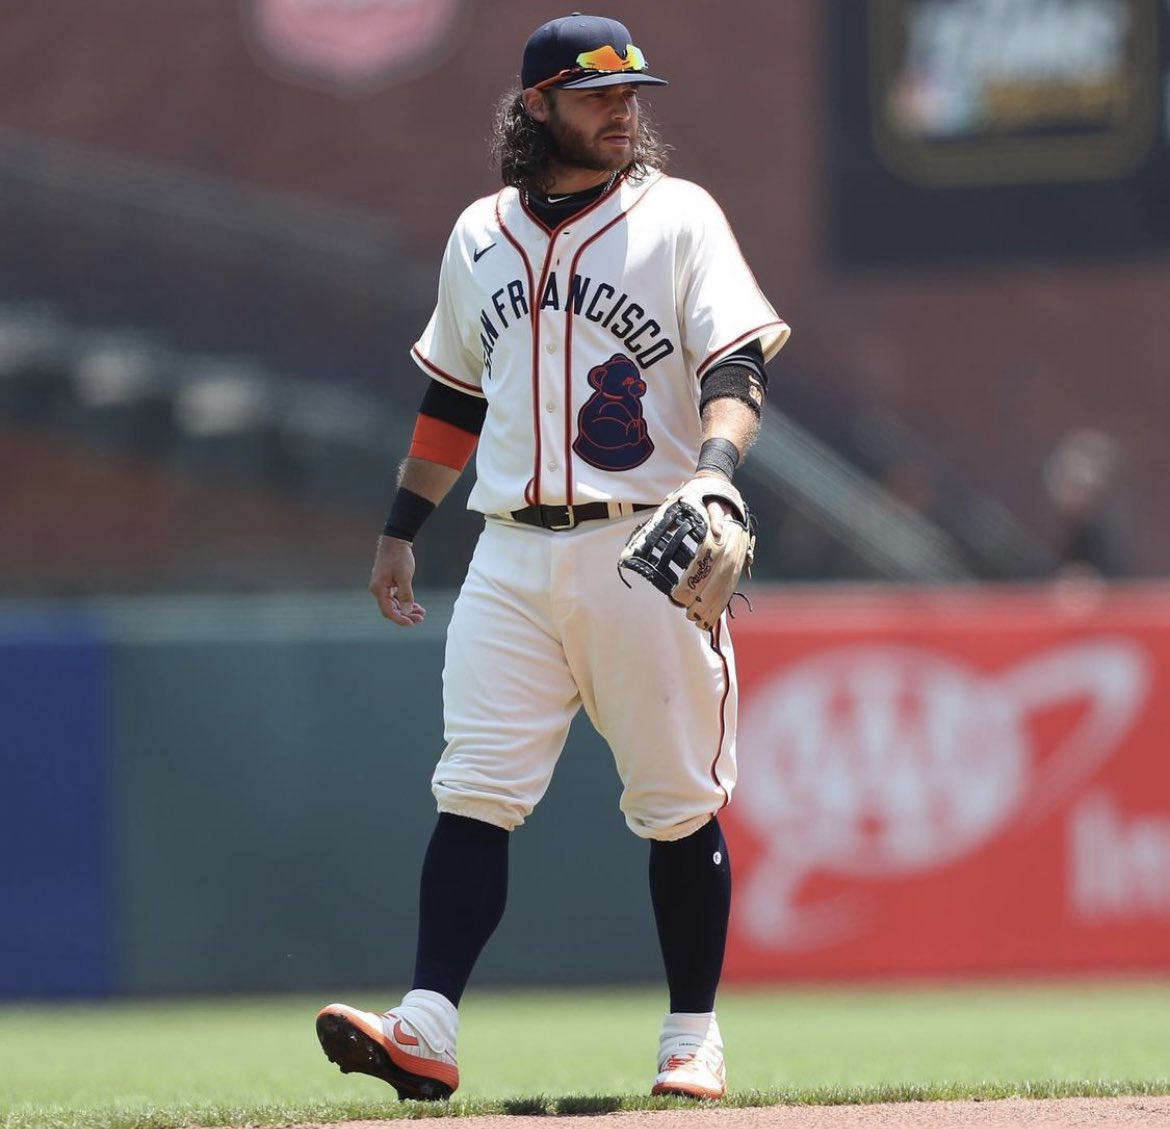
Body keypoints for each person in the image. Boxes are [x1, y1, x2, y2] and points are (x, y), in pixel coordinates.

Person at [315, 12, 790, 1102]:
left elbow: (739, 365)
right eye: (596, 94)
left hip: (647, 543)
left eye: (632, 93)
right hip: (510, 556)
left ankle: (691, 1034)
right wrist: (401, 526)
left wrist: (714, 469)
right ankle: (427, 1025)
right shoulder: (480, 233)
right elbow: (453, 396)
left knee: (675, 803)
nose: (623, 110)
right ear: (537, 107)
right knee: (474, 788)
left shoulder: (678, 218)